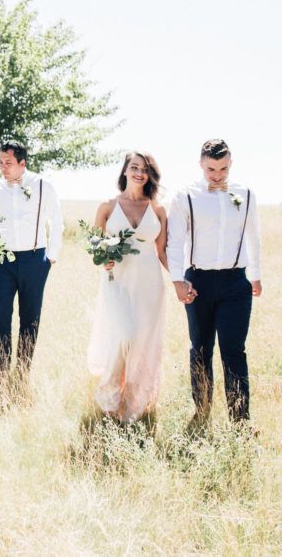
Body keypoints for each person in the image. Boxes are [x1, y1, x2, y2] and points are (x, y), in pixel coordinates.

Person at [166, 139, 262, 425]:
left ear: (231, 163)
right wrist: (178, 281)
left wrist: (255, 276)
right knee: (201, 348)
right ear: (201, 165)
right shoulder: (185, 196)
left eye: (222, 168)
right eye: (211, 169)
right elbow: (174, 242)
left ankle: (241, 421)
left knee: (234, 351)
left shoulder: (245, 194)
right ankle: (202, 410)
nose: (217, 175)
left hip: (236, 283)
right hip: (199, 281)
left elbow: (253, 236)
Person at [86, 151, 177, 421]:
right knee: (122, 335)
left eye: (145, 169)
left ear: (149, 176)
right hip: (117, 282)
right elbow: (95, 246)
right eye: (134, 166)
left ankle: (135, 404)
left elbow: (162, 253)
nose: (139, 172)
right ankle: (109, 401)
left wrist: (182, 281)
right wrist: (104, 259)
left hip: (149, 284)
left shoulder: (158, 210)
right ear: (125, 171)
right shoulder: (107, 207)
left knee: (143, 342)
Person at [0, 140, 63, 388]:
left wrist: (52, 257)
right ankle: (1, 373)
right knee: (1, 315)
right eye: (0, 162)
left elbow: (57, 222)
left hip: (34, 259)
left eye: (8, 163)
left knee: (30, 317)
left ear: (22, 163)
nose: (3, 167)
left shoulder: (42, 185)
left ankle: (23, 371)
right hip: (2, 260)